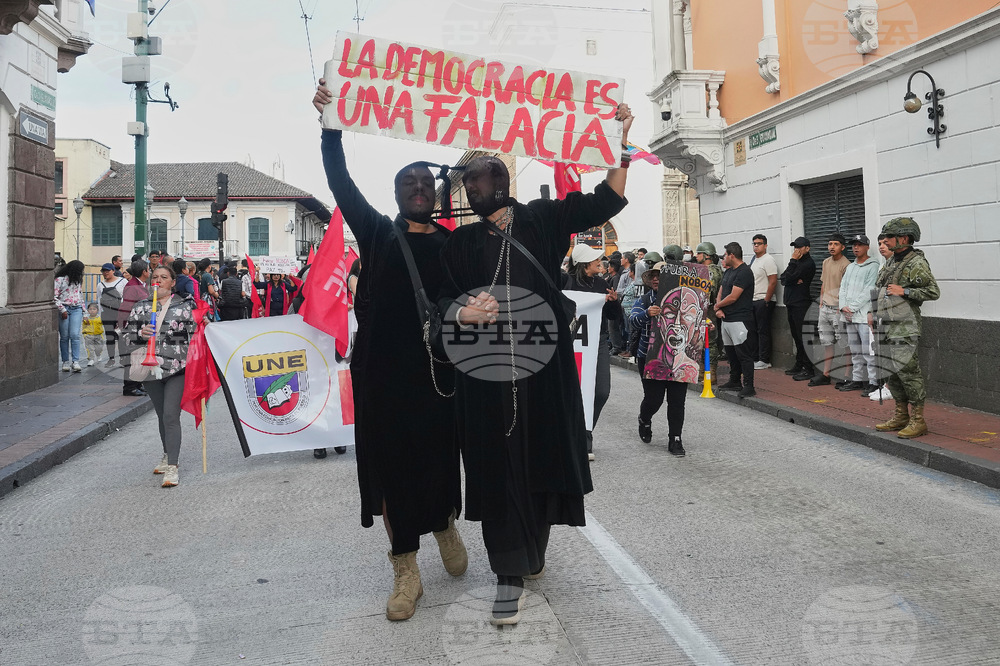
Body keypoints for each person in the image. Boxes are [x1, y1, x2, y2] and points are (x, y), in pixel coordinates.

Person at [436, 103, 633, 626]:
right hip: (486, 377)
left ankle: (532, 550)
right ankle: (508, 572)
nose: (470, 194)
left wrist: (620, 140)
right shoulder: (460, 242)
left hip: (543, 370)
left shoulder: (544, 219)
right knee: (498, 466)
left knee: (542, 458)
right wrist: (463, 313)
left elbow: (606, 199)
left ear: (499, 184)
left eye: (476, 184)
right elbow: (440, 305)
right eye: (466, 187)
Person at [315, 80, 466, 623]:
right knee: (388, 473)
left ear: (438, 193)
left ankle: (446, 520)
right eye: (409, 182)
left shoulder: (453, 243)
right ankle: (405, 569)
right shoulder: (376, 232)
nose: (419, 188)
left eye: (427, 181)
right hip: (382, 377)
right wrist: (331, 124)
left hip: (437, 374)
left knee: (439, 460)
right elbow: (339, 179)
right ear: (398, 193)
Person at [125, 265, 199, 487]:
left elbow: (197, 335)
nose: (159, 280)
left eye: (164, 277)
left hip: (177, 368)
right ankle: (167, 454)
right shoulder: (141, 307)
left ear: (173, 282)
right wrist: (140, 334)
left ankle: (173, 467)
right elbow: (128, 338)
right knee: (161, 415)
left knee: (170, 415)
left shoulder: (185, 306)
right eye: (155, 277)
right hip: (150, 370)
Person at [873, 218, 940, 438]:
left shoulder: (915, 263)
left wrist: (906, 292)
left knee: (909, 374)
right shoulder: (892, 261)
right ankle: (901, 415)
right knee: (893, 373)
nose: (885, 241)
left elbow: (933, 292)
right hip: (887, 324)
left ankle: (918, 420)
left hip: (905, 327)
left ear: (904, 238)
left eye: (889, 237)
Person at [564, 243, 620, 462]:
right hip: (571, 344)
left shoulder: (601, 284)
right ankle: (582, 441)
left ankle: (583, 430)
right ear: (585, 263)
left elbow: (614, 317)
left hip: (597, 343)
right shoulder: (566, 283)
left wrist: (614, 303)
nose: (601, 262)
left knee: (600, 392)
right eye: (596, 259)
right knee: (574, 393)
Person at [631, 262, 693, 455]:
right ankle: (644, 418)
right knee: (654, 398)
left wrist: (702, 326)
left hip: (678, 357)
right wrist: (646, 313)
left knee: (677, 400)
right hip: (650, 357)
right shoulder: (644, 299)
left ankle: (675, 438)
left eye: (661, 275)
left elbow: (694, 320)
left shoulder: (684, 299)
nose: (657, 279)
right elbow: (632, 320)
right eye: (654, 276)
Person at [837, 235, 881, 394]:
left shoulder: (874, 266)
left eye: (860, 245)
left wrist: (852, 307)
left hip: (863, 316)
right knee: (855, 351)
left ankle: (873, 382)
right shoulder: (851, 267)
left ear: (867, 247)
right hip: (849, 316)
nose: (856, 248)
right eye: (854, 245)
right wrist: (843, 306)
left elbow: (869, 290)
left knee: (868, 351)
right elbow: (842, 288)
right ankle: (857, 379)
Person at [715, 242, 756, 397]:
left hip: (740, 319)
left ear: (732, 255)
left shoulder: (744, 272)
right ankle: (734, 380)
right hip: (726, 318)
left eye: (725, 254)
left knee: (744, 354)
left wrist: (717, 305)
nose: (724, 257)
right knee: (731, 354)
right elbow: (722, 289)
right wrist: (718, 308)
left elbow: (733, 296)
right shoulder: (729, 271)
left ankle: (749, 385)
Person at [810, 233, 851, 387]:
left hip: (838, 309)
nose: (832, 247)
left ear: (843, 247)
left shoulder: (846, 265)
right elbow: (823, 283)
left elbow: (846, 289)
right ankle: (826, 374)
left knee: (845, 343)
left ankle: (848, 375)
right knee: (827, 342)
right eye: (830, 244)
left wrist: (841, 308)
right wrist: (821, 303)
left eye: (835, 244)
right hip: (825, 308)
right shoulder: (826, 262)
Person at [780, 237, 817, 380]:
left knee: (804, 337)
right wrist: (793, 278)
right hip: (791, 303)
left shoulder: (808, 263)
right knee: (796, 336)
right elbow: (784, 278)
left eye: (799, 247)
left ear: (807, 248)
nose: (796, 251)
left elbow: (788, 278)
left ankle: (809, 369)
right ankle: (799, 364)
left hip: (801, 303)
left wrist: (792, 264)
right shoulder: (797, 263)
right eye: (795, 248)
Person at [118, 259, 151, 397]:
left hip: (140, 326)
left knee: (139, 356)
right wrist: (122, 327)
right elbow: (126, 307)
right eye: (148, 269)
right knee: (131, 357)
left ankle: (137, 384)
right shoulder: (133, 286)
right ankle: (130, 387)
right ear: (144, 272)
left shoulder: (140, 285)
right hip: (132, 327)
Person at [747, 234, 778, 369]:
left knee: (763, 330)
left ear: (765, 245)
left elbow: (773, 281)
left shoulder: (768, 260)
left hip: (763, 300)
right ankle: (755, 357)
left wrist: (766, 299)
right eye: (754, 243)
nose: (756, 245)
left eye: (759, 243)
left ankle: (764, 359)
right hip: (752, 300)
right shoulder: (754, 260)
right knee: (753, 330)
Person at [695, 242, 723, 381]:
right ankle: (703, 371)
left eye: (699, 253)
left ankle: (710, 372)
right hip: (708, 309)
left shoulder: (710, 271)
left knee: (710, 341)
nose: (696, 256)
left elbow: (708, 292)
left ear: (706, 255)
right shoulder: (715, 270)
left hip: (709, 309)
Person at [54, 259, 86, 372]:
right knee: (64, 337)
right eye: (80, 270)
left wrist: (84, 311)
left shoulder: (78, 281)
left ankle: (76, 361)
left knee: (75, 335)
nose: (82, 273)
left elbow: (80, 295)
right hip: (64, 308)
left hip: (76, 308)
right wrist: (62, 310)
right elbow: (54, 296)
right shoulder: (60, 280)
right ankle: (65, 361)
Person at [98, 262, 127, 369]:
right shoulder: (100, 285)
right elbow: (99, 299)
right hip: (106, 313)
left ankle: (123, 358)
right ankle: (111, 359)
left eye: (107, 271)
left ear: (113, 271)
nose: (105, 273)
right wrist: (100, 314)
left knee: (121, 336)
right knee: (109, 336)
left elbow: (126, 296)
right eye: (103, 271)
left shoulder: (122, 281)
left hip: (120, 312)